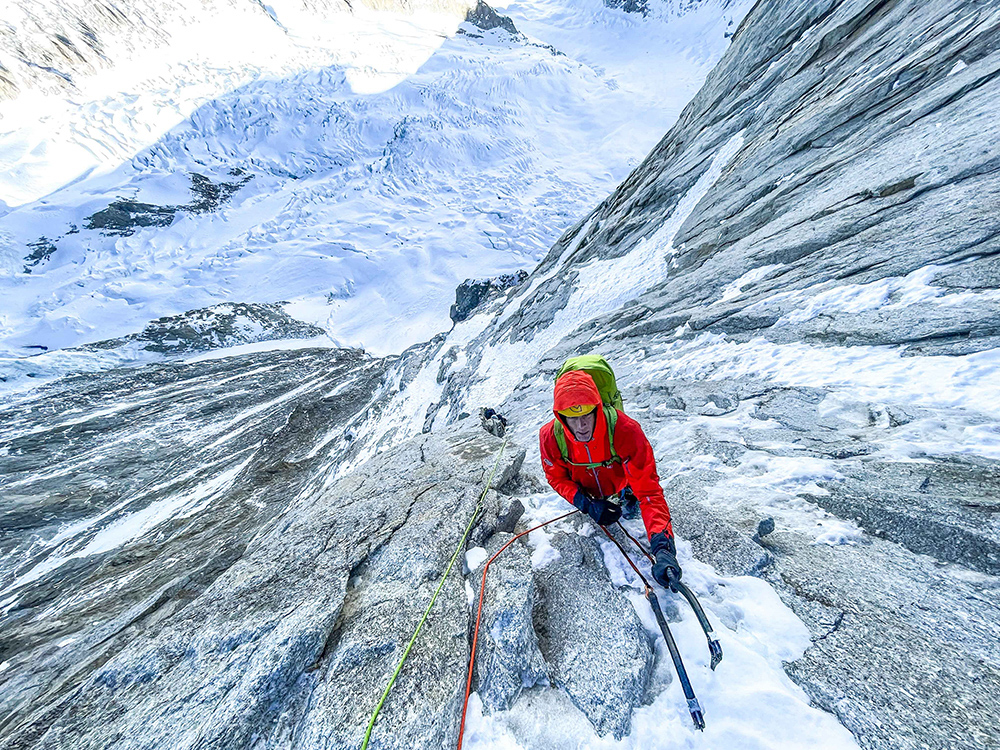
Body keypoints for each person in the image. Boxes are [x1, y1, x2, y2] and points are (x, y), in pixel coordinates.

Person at [539, 370, 682, 589]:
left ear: (598, 409)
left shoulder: (625, 430)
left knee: (634, 497)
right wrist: (585, 503)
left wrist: (663, 549)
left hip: (624, 486)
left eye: (586, 415)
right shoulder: (550, 437)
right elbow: (556, 477)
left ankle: (625, 495)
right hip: (588, 494)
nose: (581, 426)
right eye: (573, 418)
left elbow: (649, 492)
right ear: (561, 417)